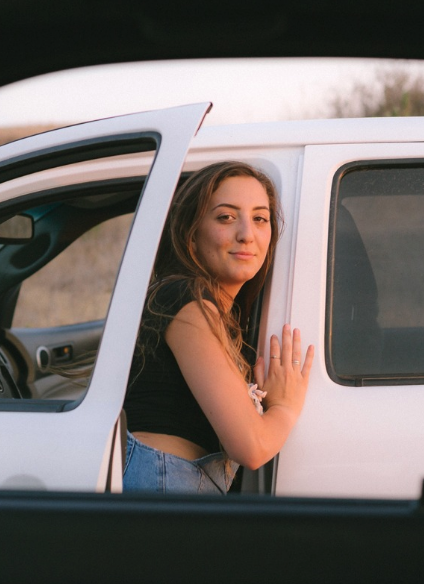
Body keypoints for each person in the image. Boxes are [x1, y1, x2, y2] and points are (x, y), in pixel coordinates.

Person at [122, 161, 314, 494]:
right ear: (191, 235)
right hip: (164, 484)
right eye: (226, 217)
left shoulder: (217, 311)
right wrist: (284, 407)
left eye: (260, 219)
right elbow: (250, 447)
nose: (246, 234)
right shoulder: (184, 299)